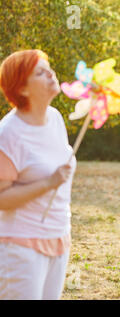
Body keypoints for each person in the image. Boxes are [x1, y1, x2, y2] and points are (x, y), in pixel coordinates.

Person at [0, 49, 75, 299]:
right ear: (21, 89)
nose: (51, 74)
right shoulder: (8, 133)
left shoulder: (55, 118)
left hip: (58, 237)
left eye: (49, 68)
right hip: (20, 245)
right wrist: (48, 182)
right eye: (40, 72)